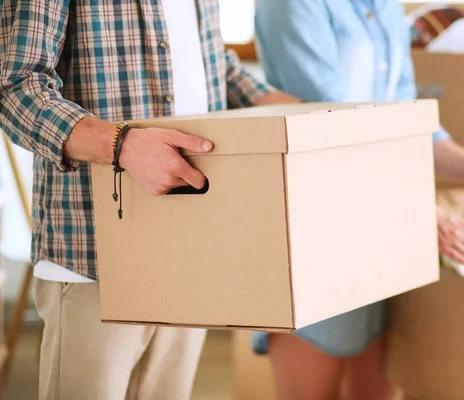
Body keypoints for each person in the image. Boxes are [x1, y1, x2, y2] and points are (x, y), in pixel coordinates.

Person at [0, 1, 297, 399]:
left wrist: (287, 111)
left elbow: (212, 62)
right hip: (95, 253)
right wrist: (120, 145)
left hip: (191, 244)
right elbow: (15, 86)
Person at [253, 1, 464, 399]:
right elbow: (328, 128)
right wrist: (419, 213)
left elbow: (406, 119)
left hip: (384, 237)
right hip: (314, 229)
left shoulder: (385, 7)